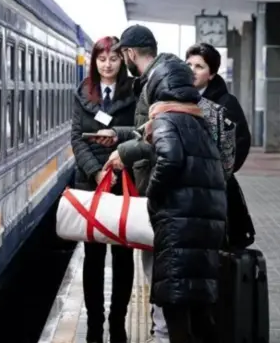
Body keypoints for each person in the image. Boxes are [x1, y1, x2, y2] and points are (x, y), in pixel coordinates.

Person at [98, 24, 181, 343]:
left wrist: (126, 154)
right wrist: (120, 137)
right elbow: (152, 131)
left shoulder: (160, 83)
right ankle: (161, 332)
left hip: (162, 196)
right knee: (158, 274)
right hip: (159, 193)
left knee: (160, 276)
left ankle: (162, 335)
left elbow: (166, 142)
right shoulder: (158, 79)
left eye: (121, 56)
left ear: (130, 54)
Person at [141, 58, 227, 343]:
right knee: (200, 309)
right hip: (204, 223)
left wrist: (152, 194)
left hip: (178, 225)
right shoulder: (196, 119)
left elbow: (170, 158)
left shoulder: (166, 119)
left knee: (175, 304)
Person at [70, 36, 136, 343]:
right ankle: (94, 324)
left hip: (124, 180)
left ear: (122, 60)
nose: (107, 64)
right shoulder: (83, 92)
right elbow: (76, 139)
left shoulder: (134, 92)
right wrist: (96, 172)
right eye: (101, 59)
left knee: (123, 256)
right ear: (94, 61)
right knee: (93, 258)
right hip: (90, 183)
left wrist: (119, 158)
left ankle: (118, 321)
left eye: (113, 59)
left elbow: (139, 132)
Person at [186, 43, 255, 248]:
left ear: (212, 73)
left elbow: (240, 143)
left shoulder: (226, 104)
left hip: (216, 190)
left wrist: (220, 173)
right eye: (188, 64)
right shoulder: (180, 99)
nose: (192, 70)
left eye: (199, 66)